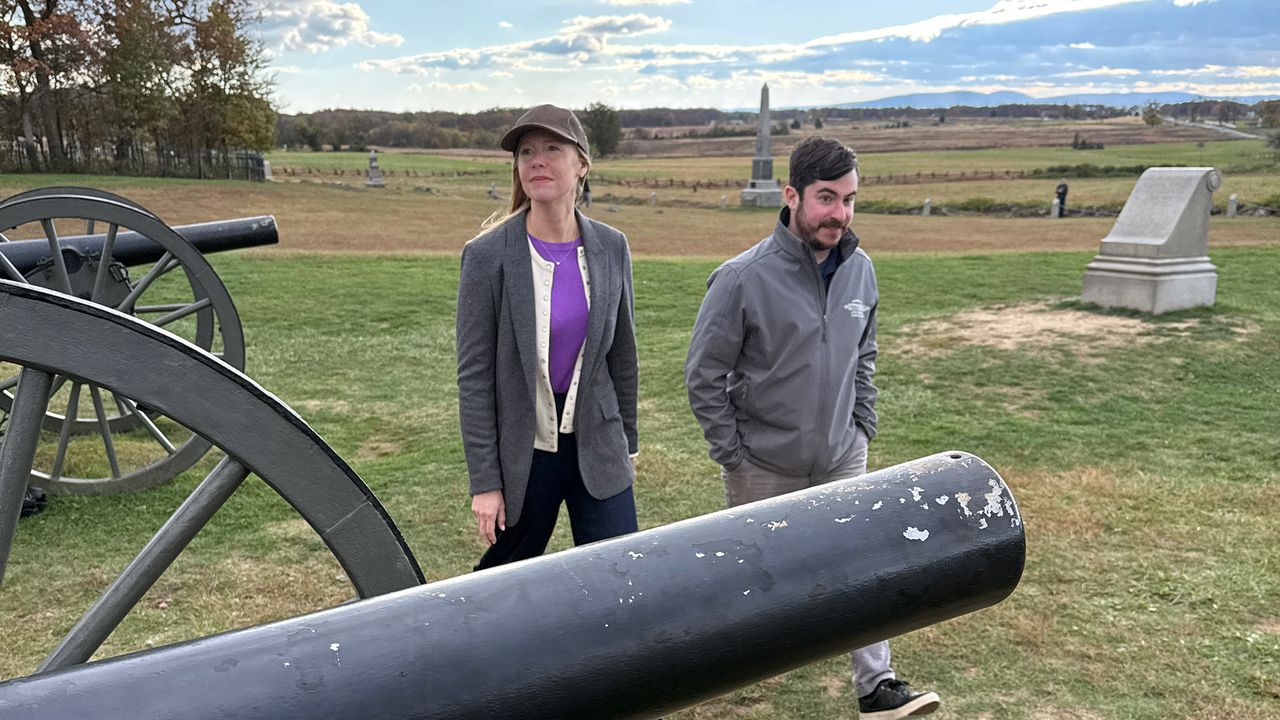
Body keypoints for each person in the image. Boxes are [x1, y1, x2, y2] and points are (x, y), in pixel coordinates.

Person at [684, 136, 940, 720]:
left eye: (850, 200)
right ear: (792, 194)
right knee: (756, 573)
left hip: (842, 454)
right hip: (763, 462)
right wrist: (734, 454)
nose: (840, 214)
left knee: (864, 562)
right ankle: (716, 674)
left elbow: (864, 355)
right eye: (827, 198)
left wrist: (861, 427)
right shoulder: (741, 278)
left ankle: (877, 687)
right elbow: (704, 374)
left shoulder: (861, 271)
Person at [456, 104, 639, 570]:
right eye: (526, 152)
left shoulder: (612, 246)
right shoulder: (486, 257)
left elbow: (623, 356)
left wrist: (628, 445)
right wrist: (485, 482)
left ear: (581, 163)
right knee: (501, 581)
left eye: (552, 149)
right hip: (525, 452)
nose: (537, 160)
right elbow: (475, 379)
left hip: (598, 444)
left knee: (621, 574)